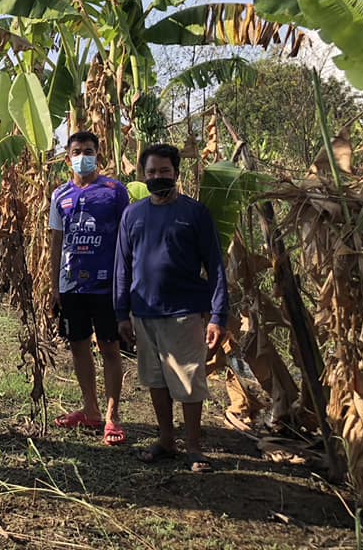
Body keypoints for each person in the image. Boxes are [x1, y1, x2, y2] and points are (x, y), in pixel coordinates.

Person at [114, 143, 229, 473]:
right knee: (156, 380)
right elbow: (122, 266)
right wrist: (122, 313)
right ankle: (166, 440)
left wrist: (218, 315)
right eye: (151, 172)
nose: (157, 177)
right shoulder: (132, 215)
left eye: (164, 171)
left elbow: (216, 266)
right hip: (143, 312)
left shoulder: (194, 213)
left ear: (176, 173)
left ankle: (194, 447)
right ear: (143, 175)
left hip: (183, 311)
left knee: (189, 382)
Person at [49, 131, 130, 445]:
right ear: (67, 158)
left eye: (88, 150)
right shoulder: (60, 195)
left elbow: (128, 237)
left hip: (106, 286)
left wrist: (127, 282)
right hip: (71, 287)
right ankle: (90, 409)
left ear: (98, 154)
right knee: (78, 346)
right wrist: (55, 285)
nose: (82, 156)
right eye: (76, 151)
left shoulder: (114, 191)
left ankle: (112, 416)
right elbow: (56, 241)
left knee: (110, 348)